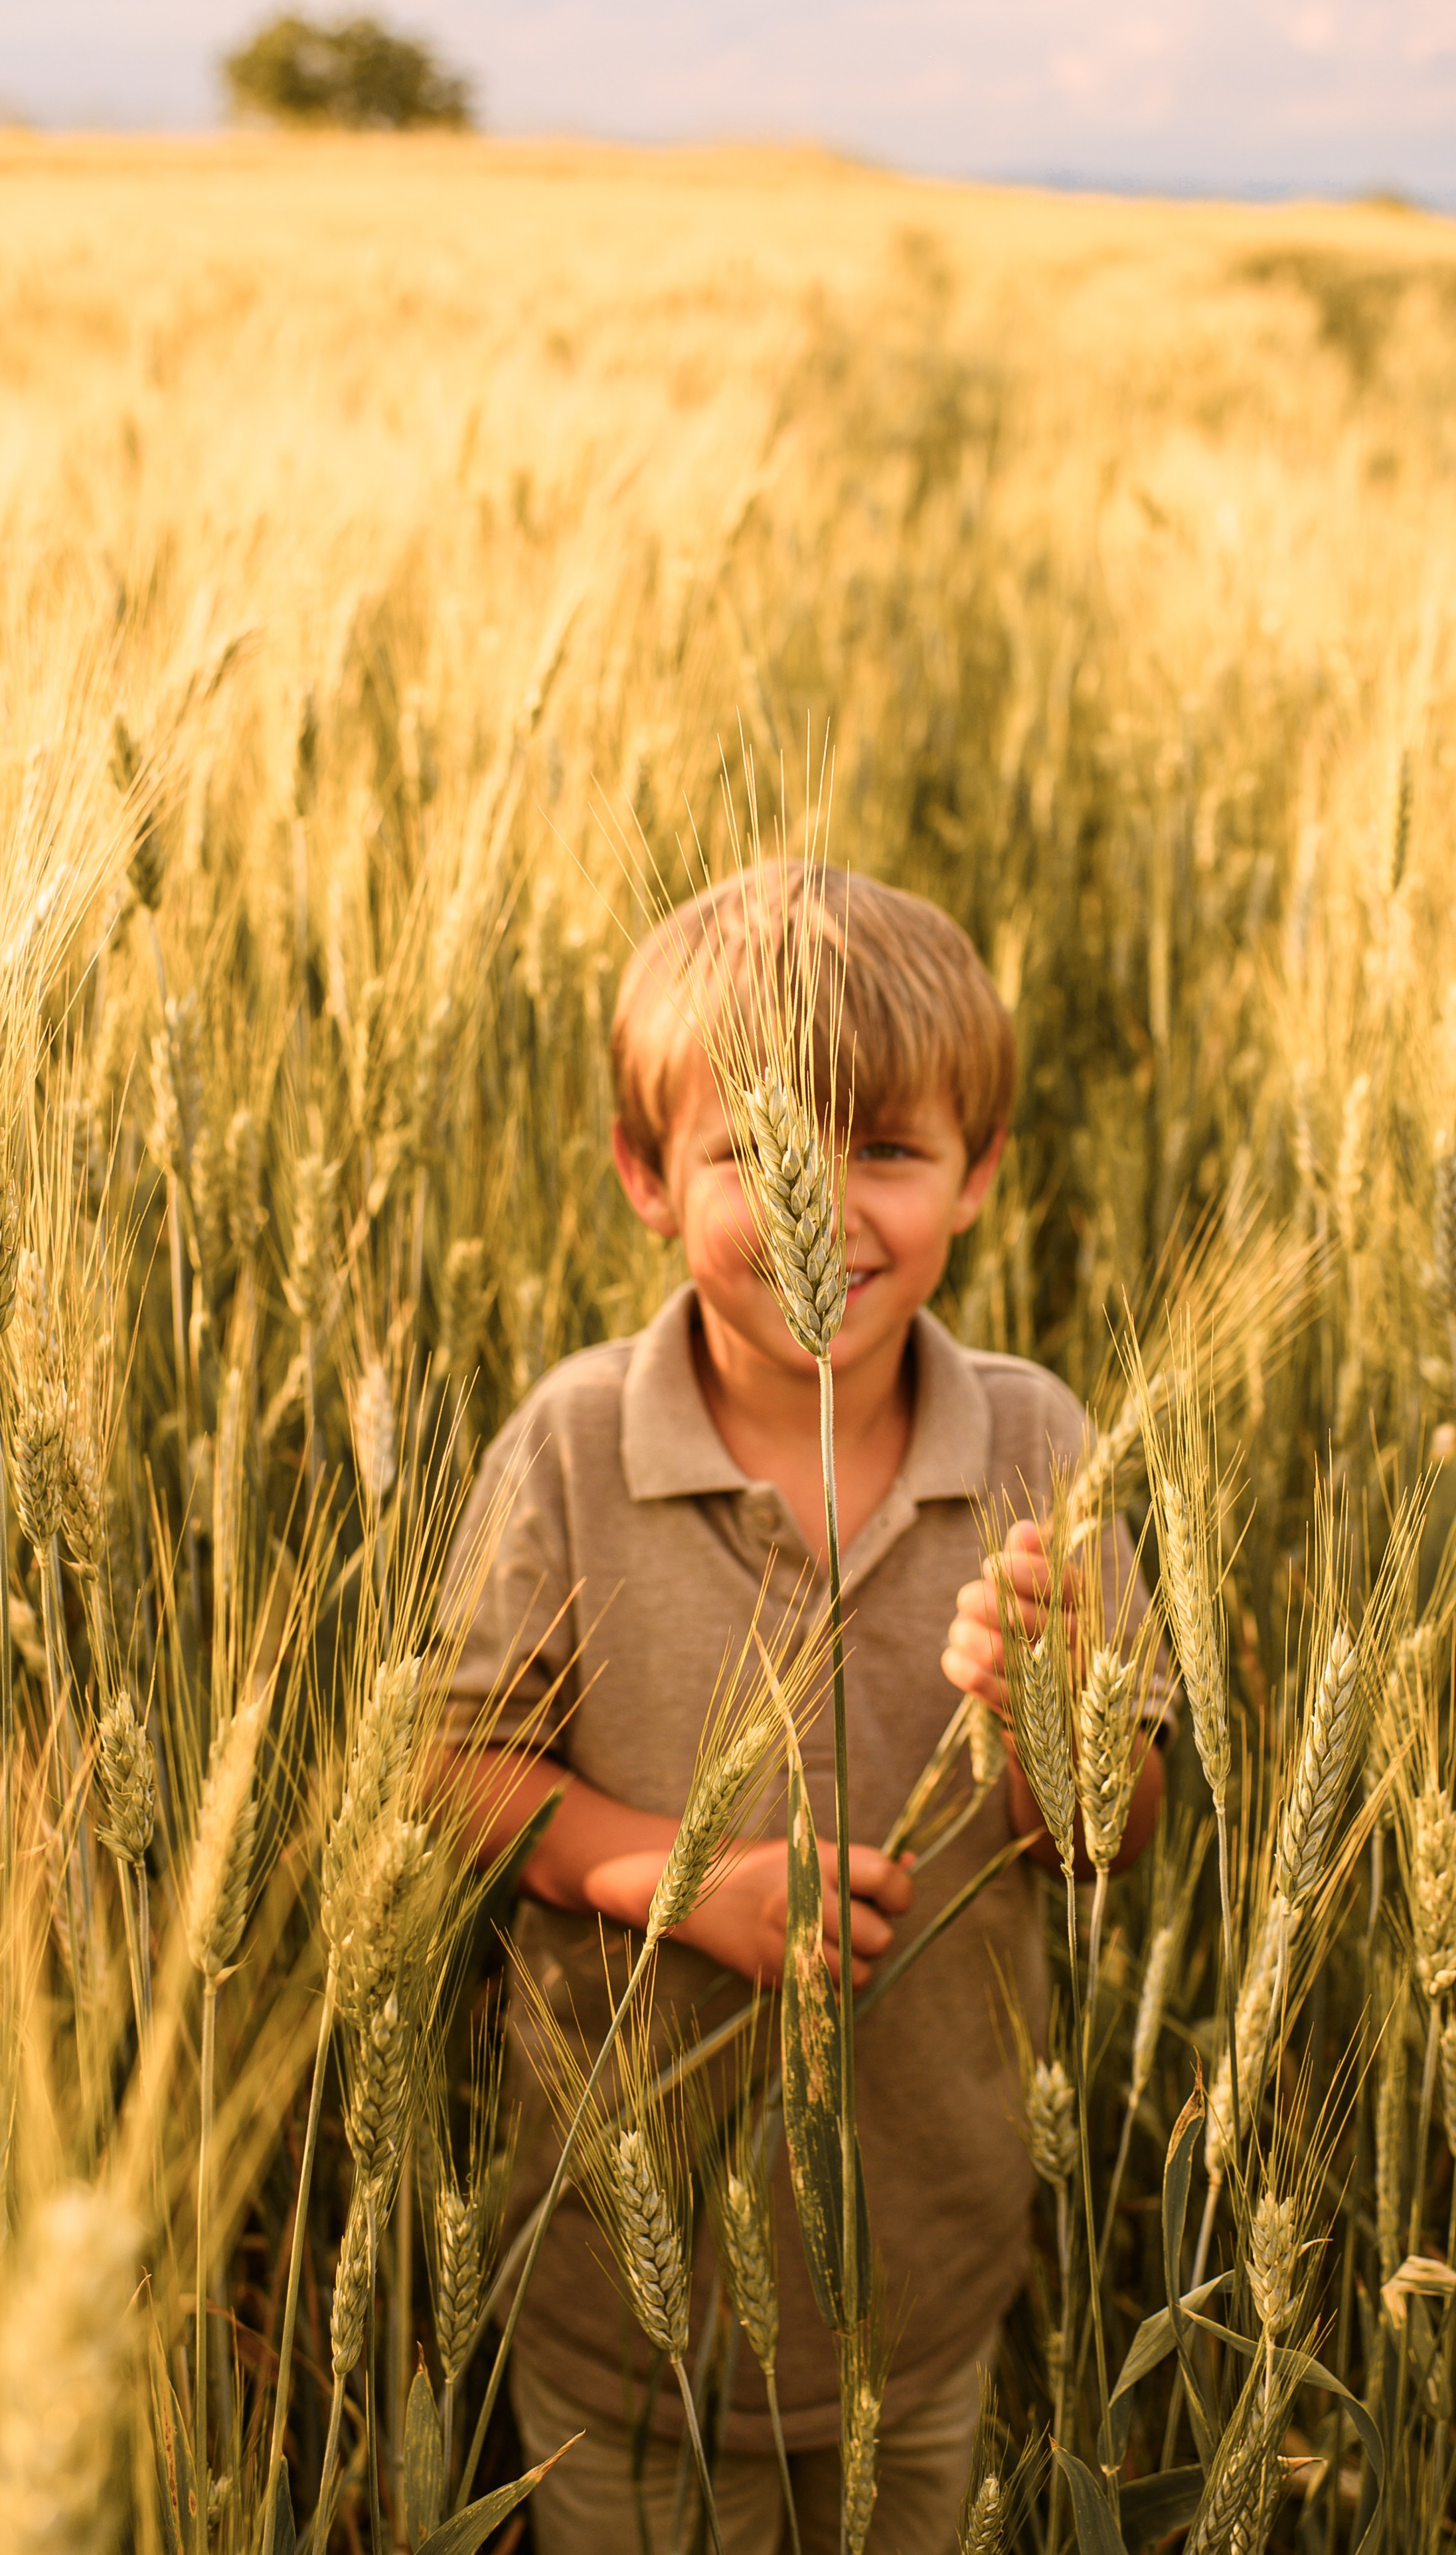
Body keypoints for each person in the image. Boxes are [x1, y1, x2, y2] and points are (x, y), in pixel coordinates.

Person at [439, 861, 1165, 2554]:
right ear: (643, 1175)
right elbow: (450, 1770)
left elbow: (1106, 1835)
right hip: (618, 2299)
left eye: (888, 1149)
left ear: (979, 1174)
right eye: (751, 1149)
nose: (819, 1204)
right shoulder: (569, 1448)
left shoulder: (1037, 1445)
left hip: (920, 2289)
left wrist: (1053, 1718)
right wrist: (675, 1880)